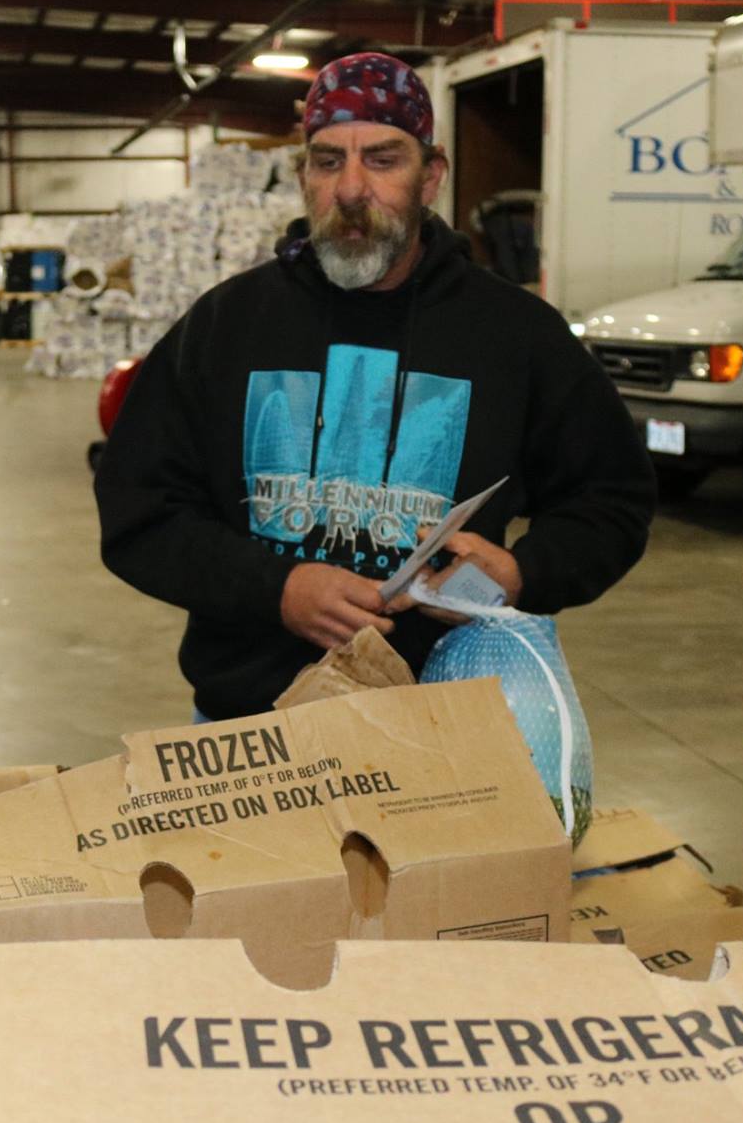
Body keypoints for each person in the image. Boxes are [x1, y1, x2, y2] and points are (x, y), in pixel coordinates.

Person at [96, 52, 655, 722]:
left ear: (431, 176)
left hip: (443, 723)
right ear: (304, 175)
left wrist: (521, 572)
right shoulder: (224, 327)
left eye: (384, 160)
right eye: (329, 161)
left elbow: (612, 498)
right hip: (249, 725)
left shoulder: (515, 334)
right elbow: (139, 511)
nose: (352, 189)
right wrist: (278, 588)